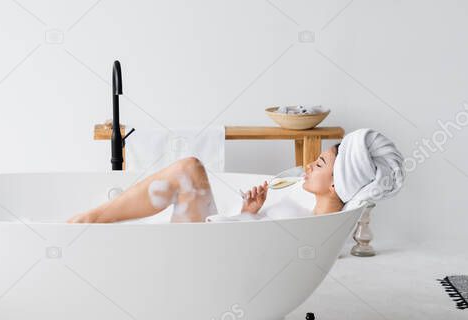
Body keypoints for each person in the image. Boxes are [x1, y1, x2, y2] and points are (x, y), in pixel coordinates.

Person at [68, 128, 404, 224]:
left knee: (189, 169)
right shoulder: (305, 215)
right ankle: (94, 219)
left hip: (203, 259)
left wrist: (245, 221)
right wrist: (247, 214)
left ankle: (92, 220)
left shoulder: (309, 225)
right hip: (215, 246)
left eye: (317, 164)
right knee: (190, 168)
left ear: (335, 184)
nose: (307, 167)